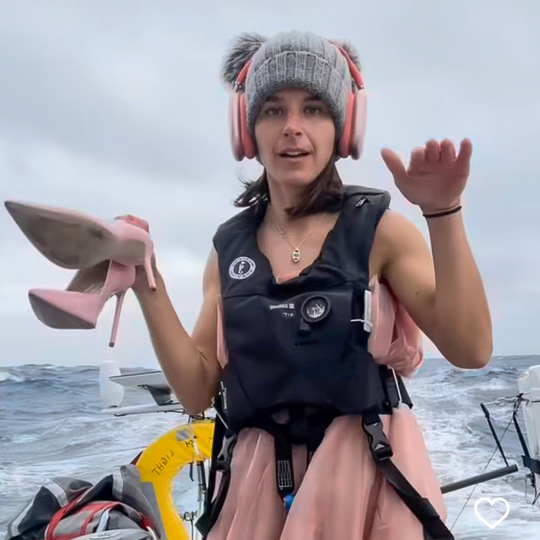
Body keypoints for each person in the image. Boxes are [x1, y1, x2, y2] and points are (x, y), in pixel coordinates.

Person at [133, 30, 492, 540]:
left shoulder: (381, 231)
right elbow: (195, 391)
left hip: (367, 481)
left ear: (344, 128)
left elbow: (471, 348)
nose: (293, 129)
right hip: (256, 491)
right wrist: (147, 280)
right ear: (247, 129)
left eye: (315, 109)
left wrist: (442, 212)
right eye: (273, 110)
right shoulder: (227, 249)